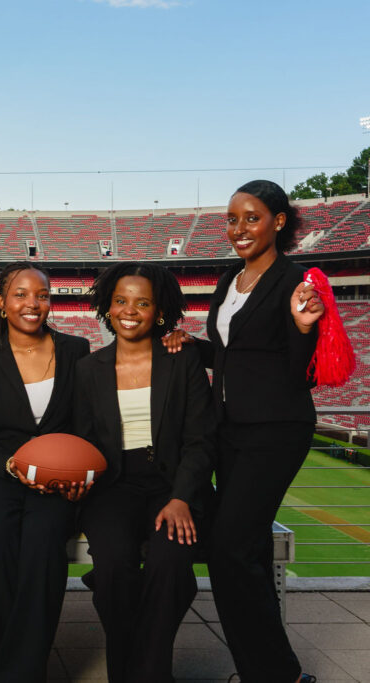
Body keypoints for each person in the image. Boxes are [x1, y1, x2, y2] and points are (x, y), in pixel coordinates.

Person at [164, 180, 323, 683]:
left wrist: (302, 329)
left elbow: (298, 371)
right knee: (240, 551)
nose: (238, 229)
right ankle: (269, 673)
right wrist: (192, 345)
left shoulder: (295, 281)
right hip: (229, 430)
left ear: (278, 221)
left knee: (232, 548)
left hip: (275, 431)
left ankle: (279, 675)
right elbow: (234, 356)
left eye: (251, 218)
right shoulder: (231, 277)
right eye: (232, 219)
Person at [75, 262, 215, 683]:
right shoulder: (88, 369)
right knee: (115, 567)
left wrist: (182, 497)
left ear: (159, 311)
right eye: (120, 301)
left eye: (142, 302)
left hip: (173, 483)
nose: (129, 310)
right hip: (113, 486)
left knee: (169, 565)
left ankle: (145, 674)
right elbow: (82, 442)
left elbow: (201, 439)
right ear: (107, 307)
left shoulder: (182, 358)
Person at [0, 263, 91, 683]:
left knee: (43, 548)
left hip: (58, 480)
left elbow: (87, 423)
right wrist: (11, 465)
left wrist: (77, 474)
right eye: (20, 294)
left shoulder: (77, 350)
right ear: (0, 303)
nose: (33, 303)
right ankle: (22, 668)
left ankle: (17, 674)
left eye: (42, 294)